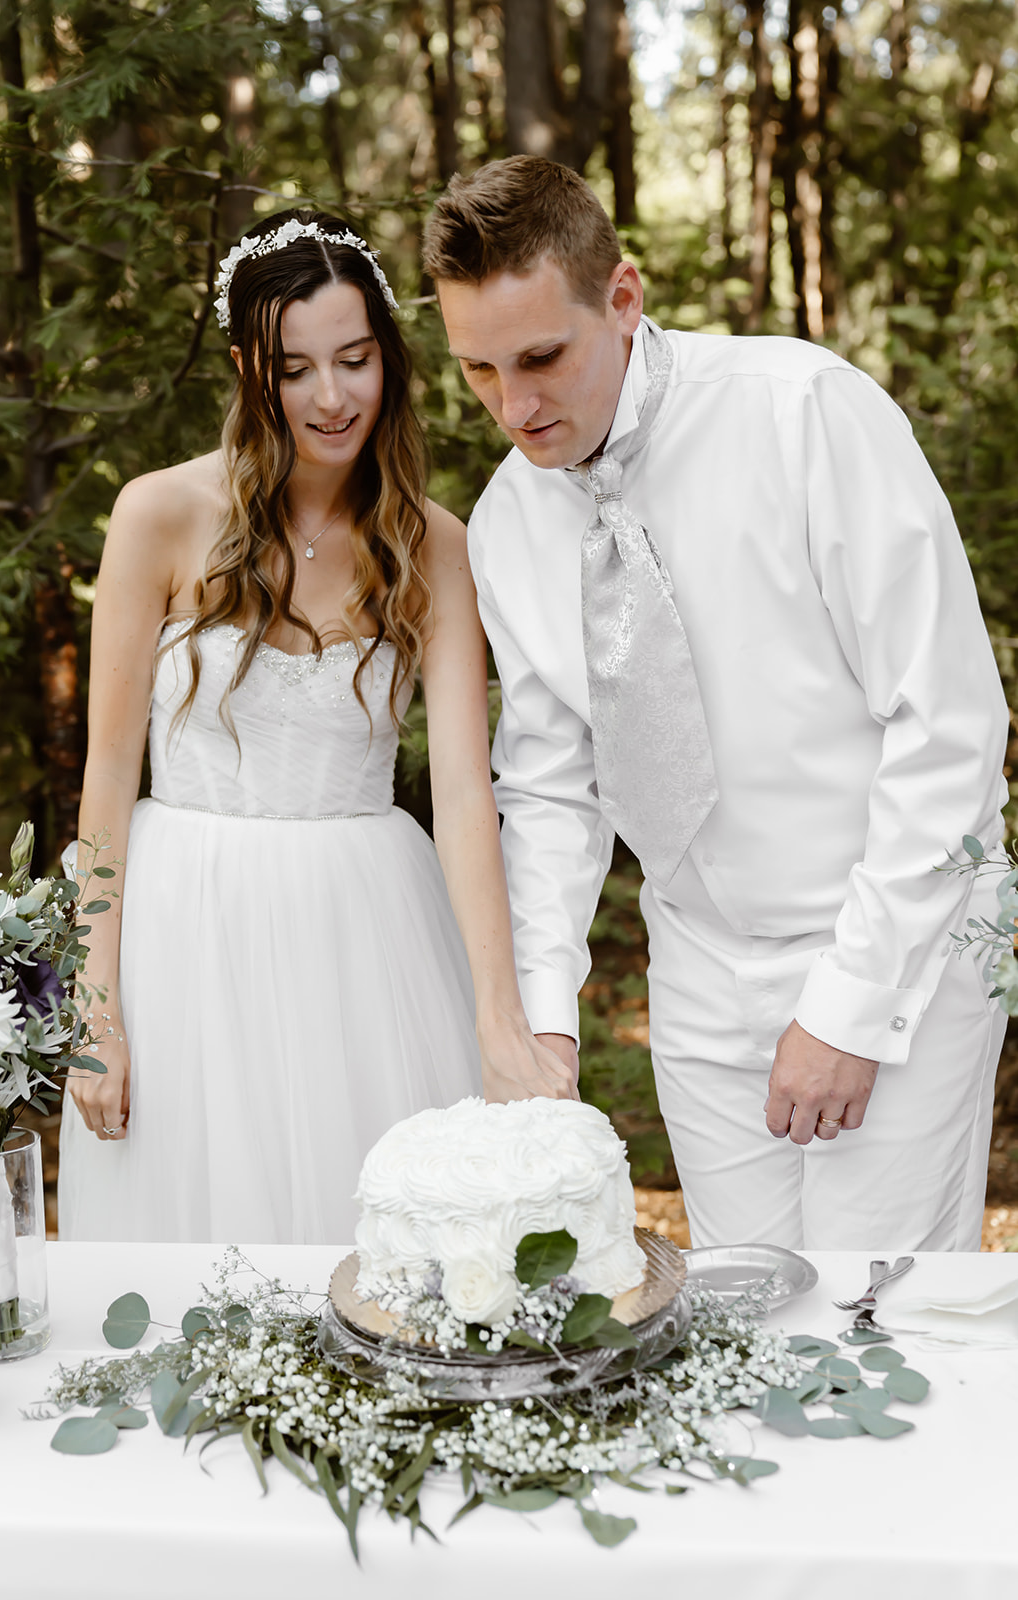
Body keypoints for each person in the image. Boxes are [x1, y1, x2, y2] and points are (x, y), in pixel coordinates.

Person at [422, 156, 1010, 1252]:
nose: (514, 406)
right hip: (696, 967)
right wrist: (541, 1021)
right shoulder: (508, 521)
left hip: (893, 946)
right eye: (477, 371)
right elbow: (550, 789)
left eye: (541, 357)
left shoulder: (803, 413)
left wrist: (848, 1005)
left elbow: (948, 725)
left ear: (623, 297)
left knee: (871, 1333)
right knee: (744, 1326)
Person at [59, 208, 574, 1245]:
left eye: (353, 358)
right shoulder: (156, 515)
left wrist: (497, 1012)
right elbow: (107, 780)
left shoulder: (434, 545)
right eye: (294, 369)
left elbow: (466, 793)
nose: (329, 397)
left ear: (386, 355)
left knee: (383, 1248)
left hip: (367, 933)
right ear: (249, 367)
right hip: (185, 928)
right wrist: (95, 1005)